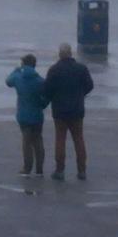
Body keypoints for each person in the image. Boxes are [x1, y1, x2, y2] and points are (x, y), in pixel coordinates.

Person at [44, 42, 95, 180]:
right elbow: (90, 85)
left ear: (60, 54)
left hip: (60, 110)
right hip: (77, 109)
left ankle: (60, 170)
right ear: (71, 53)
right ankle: (82, 170)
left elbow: (47, 90)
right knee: (79, 139)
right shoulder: (81, 69)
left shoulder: (54, 70)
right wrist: (81, 94)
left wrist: (53, 97)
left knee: (60, 139)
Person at [5, 52, 48, 177]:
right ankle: (39, 169)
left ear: (23, 64)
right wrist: (42, 104)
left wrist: (16, 70)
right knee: (38, 141)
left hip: (23, 115)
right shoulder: (40, 80)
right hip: (37, 115)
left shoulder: (18, 78)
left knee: (26, 142)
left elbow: (8, 82)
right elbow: (46, 96)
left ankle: (27, 168)